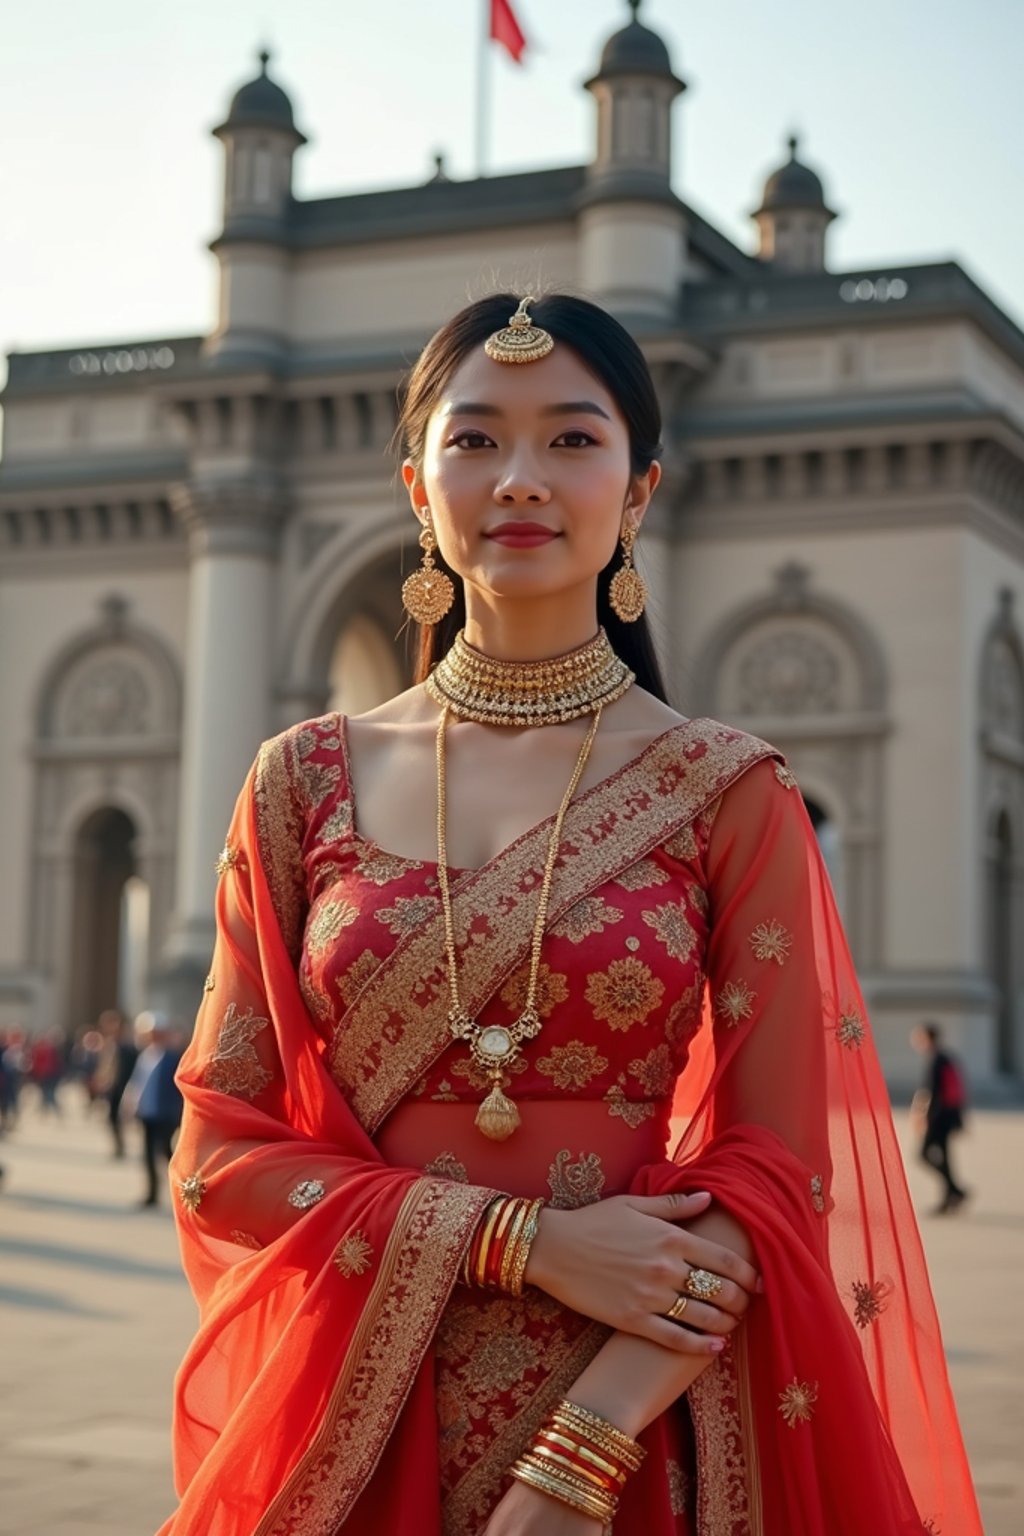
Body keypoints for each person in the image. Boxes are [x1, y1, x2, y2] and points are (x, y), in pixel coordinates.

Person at [161, 293, 981, 1536]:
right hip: (357, 1417)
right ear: (415, 484)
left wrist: (575, 1462)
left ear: (640, 491)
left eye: (573, 440)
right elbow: (220, 1157)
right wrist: (518, 1241)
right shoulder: (298, 781)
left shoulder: (727, 789)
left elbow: (775, 1173)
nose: (521, 479)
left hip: (639, 1418)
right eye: (476, 439)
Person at [912, 1021, 969, 1214]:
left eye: (919, 1037)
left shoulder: (937, 1060)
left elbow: (933, 1092)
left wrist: (923, 1117)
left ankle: (954, 1190)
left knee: (923, 1154)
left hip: (938, 1117)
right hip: (947, 1115)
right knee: (944, 1156)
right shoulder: (945, 1058)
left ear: (928, 1038)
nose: (915, 1041)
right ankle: (951, 1195)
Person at [132, 1017, 185, 1207]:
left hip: (166, 1114)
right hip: (148, 1113)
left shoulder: (172, 1057)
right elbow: (138, 1083)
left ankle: (182, 1191)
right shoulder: (145, 1055)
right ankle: (152, 1193)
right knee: (147, 1155)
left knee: (167, 1154)